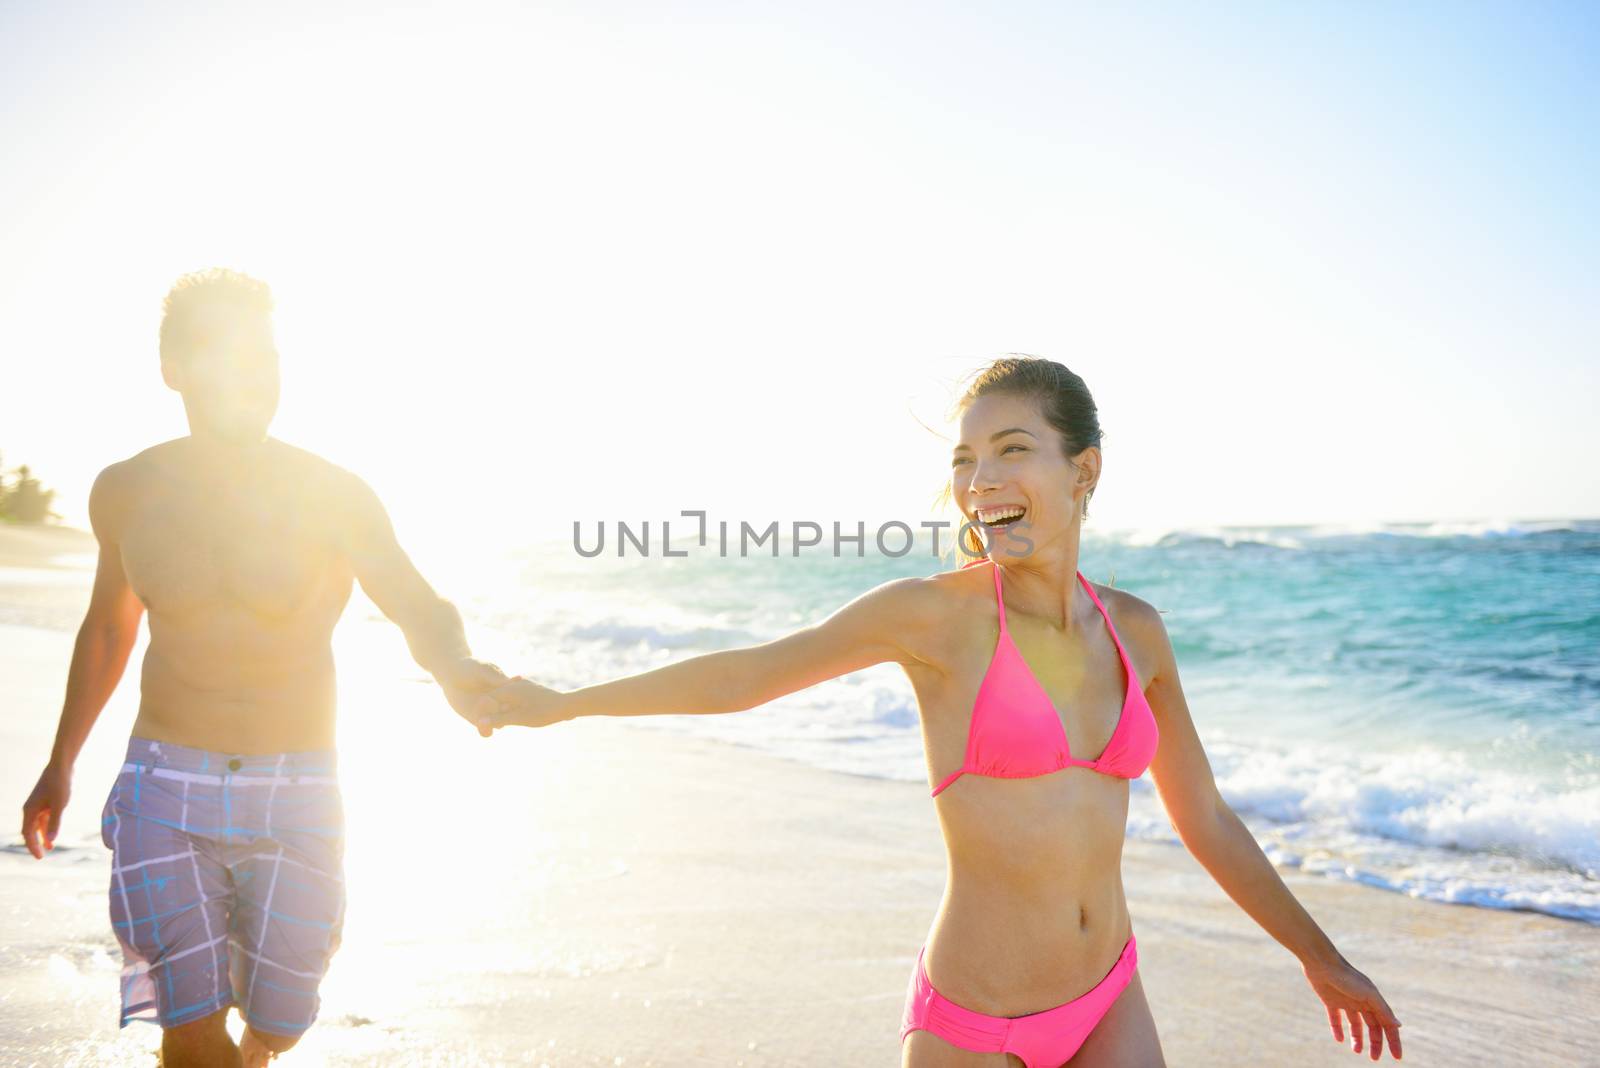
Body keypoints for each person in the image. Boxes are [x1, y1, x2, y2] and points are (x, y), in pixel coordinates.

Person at [477, 356, 1403, 1065]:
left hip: (1111, 995)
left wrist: (1317, 956)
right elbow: (747, 677)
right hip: (976, 1020)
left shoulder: (1137, 632)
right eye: (966, 460)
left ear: (1083, 470)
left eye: (1012, 451)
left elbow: (1202, 817)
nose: (980, 482)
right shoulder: (935, 618)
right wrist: (562, 704)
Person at [18, 268, 507, 1068]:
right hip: (163, 785)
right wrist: (60, 762)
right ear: (173, 369)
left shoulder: (333, 493)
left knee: (281, 1019)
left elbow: (417, 601)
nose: (256, 378)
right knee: (191, 1023)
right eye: (229, 357)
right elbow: (110, 629)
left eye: (267, 358)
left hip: (300, 785)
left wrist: (455, 668)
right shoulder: (128, 490)